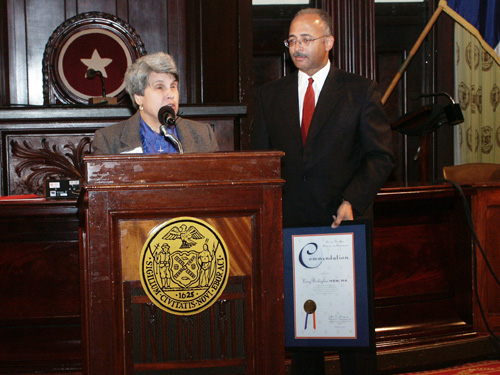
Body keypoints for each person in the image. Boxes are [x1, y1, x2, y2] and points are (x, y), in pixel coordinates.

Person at [251, 7, 394, 375]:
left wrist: (352, 200)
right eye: (291, 41)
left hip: (342, 224)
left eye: (305, 39)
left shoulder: (359, 91)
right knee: (304, 332)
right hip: (291, 227)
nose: (297, 47)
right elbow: (262, 162)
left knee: (352, 330)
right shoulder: (270, 95)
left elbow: (381, 156)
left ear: (328, 42)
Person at [92, 52, 218, 155]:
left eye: (173, 86)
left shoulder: (203, 135)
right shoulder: (108, 140)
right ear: (139, 97)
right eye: (160, 87)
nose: (170, 94)